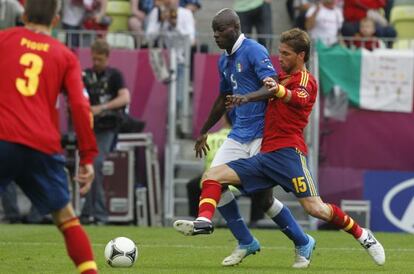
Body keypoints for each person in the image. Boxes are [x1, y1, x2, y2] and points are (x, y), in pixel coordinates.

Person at [174, 28, 386, 267]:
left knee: (315, 208)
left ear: (301, 55)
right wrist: (248, 97)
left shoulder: (306, 80)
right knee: (213, 176)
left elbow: (299, 98)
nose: (280, 58)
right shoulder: (279, 78)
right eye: (279, 53)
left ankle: (362, 235)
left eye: (286, 54)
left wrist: (278, 90)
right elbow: (269, 91)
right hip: (265, 156)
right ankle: (206, 221)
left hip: (289, 155)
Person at [176, 9, 315, 269]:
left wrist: (248, 98)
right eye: (214, 30)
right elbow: (222, 98)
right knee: (212, 178)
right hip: (239, 133)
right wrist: (204, 129)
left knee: (263, 201)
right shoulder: (223, 61)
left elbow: (272, 85)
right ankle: (222, 230)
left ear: (236, 28)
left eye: (221, 30)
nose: (216, 35)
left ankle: (302, 241)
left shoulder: (254, 51)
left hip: (264, 135)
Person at [0, 0, 99, 273]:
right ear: (56, 21)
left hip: (3, 137)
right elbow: (80, 107)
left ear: (24, 15)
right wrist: (88, 156)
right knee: (67, 219)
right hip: (41, 144)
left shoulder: (3, 40)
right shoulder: (64, 55)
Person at [80, 38, 131, 225]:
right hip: (87, 127)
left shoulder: (114, 75)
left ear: (107, 58)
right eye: (94, 59)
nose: (96, 63)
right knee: (89, 166)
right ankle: (87, 213)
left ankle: (99, 213)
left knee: (97, 163)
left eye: (99, 59)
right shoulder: (84, 75)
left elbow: (125, 97)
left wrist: (101, 108)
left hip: (108, 127)